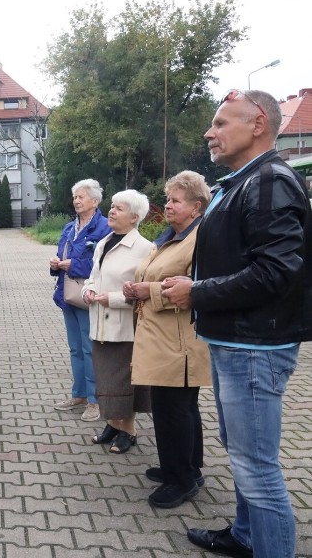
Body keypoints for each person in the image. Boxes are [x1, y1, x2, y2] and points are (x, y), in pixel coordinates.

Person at [163, 89, 312, 558]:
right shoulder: (244, 180)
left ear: (259, 123)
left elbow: (276, 272)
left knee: (257, 467)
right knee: (242, 453)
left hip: (255, 348)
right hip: (235, 342)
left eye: (222, 122)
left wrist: (197, 291)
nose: (210, 131)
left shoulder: (270, 181)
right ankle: (246, 535)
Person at [123, 171, 211, 508]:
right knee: (180, 407)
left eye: (175, 200)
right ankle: (188, 467)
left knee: (173, 409)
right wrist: (136, 288)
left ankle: (182, 479)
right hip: (162, 337)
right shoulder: (171, 236)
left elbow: (195, 285)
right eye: (169, 199)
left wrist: (150, 290)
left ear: (196, 207)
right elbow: (154, 274)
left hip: (179, 340)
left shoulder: (200, 238)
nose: (168, 206)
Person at [83, 189, 153, 454]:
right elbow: (94, 274)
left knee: (125, 381)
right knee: (107, 379)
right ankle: (113, 425)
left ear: (135, 217)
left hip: (125, 327)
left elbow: (144, 291)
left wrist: (110, 298)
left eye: (119, 208)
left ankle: (128, 431)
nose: (111, 211)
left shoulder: (145, 248)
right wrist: (87, 290)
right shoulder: (105, 241)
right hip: (100, 322)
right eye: (112, 206)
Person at [50, 179, 112, 421]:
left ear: (95, 202)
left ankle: (95, 400)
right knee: (75, 348)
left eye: (81, 197)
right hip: (68, 295)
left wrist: (72, 265)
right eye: (75, 196)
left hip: (89, 295)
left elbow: (104, 263)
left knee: (90, 349)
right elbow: (61, 254)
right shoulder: (68, 227)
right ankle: (79, 394)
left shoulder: (105, 227)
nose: (76, 200)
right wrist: (56, 264)